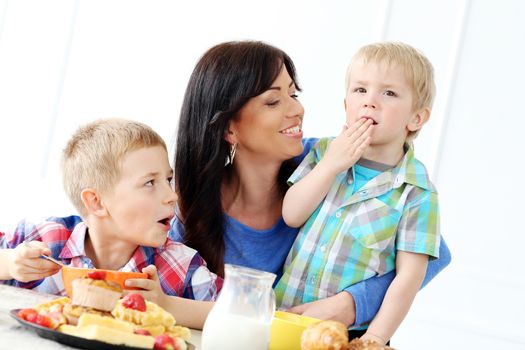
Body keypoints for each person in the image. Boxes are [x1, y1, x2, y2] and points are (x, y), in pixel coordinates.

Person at [169, 40, 451, 330]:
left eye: (294, 93)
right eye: (273, 101)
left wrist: (352, 304)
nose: (297, 109)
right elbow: (163, 290)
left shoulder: (332, 159)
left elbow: (432, 258)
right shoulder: (190, 201)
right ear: (229, 128)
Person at [275, 41, 441, 344]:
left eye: (388, 93)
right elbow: (291, 214)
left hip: (346, 336)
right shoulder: (324, 153)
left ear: (416, 118)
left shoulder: (417, 193)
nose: (370, 102)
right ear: (346, 104)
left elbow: (408, 279)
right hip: (284, 316)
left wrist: (375, 338)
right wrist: (330, 167)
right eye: (360, 90)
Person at [0, 118, 221, 328]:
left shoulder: (178, 264)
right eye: (150, 182)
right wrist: (10, 264)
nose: (172, 196)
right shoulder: (43, 238)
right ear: (96, 202)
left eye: (168, 180)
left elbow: (243, 316)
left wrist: (167, 305)